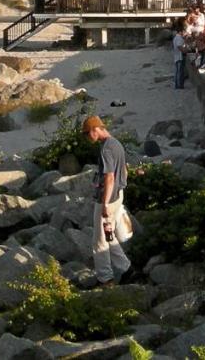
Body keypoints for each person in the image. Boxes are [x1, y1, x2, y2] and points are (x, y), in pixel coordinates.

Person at [83, 116, 131, 287]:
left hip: (108, 199)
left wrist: (104, 204)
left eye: (88, 134)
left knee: (99, 240)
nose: (88, 138)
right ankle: (125, 267)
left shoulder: (105, 149)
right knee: (109, 234)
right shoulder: (116, 143)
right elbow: (124, 169)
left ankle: (105, 278)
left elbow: (109, 177)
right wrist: (121, 188)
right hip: (118, 195)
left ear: (95, 129)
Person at [171, 22, 188, 90]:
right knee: (180, 72)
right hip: (179, 57)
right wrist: (186, 50)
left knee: (178, 72)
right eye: (184, 32)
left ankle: (177, 85)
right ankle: (179, 85)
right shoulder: (179, 38)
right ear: (181, 31)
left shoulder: (177, 38)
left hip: (177, 57)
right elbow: (180, 47)